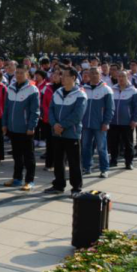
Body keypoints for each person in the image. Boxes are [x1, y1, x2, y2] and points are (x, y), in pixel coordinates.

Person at [45, 66, 87, 196]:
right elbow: (51, 110)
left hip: (71, 133)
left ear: (73, 78)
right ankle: (58, 185)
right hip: (57, 133)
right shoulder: (57, 92)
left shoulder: (80, 94)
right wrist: (54, 124)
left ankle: (76, 187)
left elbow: (77, 115)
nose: (62, 78)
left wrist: (61, 126)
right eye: (61, 75)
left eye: (65, 75)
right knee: (58, 161)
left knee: (74, 162)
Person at [2, 66, 40, 190]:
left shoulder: (32, 89)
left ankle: (30, 180)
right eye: (17, 73)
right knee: (17, 155)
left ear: (27, 75)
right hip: (13, 128)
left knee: (28, 155)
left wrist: (31, 126)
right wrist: (4, 124)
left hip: (26, 129)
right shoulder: (11, 88)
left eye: (21, 73)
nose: (18, 75)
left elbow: (35, 111)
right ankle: (17, 178)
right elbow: (6, 108)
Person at [81, 66, 115, 178]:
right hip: (86, 124)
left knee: (101, 147)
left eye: (96, 73)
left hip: (100, 124)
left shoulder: (106, 89)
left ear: (100, 75)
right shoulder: (83, 89)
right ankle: (86, 167)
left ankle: (104, 169)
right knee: (85, 146)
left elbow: (110, 108)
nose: (94, 75)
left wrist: (106, 122)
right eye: (92, 73)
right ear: (88, 75)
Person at [109, 70, 137, 170]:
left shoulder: (134, 91)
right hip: (113, 122)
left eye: (123, 76)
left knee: (128, 143)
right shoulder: (112, 89)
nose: (121, 78)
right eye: (119, 76)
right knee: (113, 143)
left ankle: (129, 162)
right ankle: (113, 160)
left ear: (128, 77)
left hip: (127, 123)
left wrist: (135, 119)